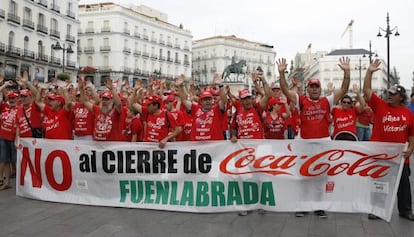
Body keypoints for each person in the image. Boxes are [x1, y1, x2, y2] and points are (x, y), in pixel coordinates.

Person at [278, 56, 351, 218]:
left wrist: (347, 72)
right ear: (307, 89)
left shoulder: (328, 101)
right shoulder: (301, 101)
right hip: (304, 142)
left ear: (320, 88)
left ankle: (319, 206)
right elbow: (285, 90)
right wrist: (281, 74)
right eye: (311, 87)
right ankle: (303, 205)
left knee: (321, 176)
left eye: (317, 87)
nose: (314, 89)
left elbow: (344, 90)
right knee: (303, 175)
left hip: (323, 143)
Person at [363, 59, 414, 221]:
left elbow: (412, 134)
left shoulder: (408, 113)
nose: (389, 96)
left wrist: (411, 149)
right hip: (381, 155)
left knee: (403, 185)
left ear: (401, 97)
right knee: (379, 182)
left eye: (393, 94)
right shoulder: (380, 106)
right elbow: (367, 90)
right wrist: (369, 72)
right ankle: (377, 209)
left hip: (400, 156)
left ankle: (405, 210)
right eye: (389, 93)